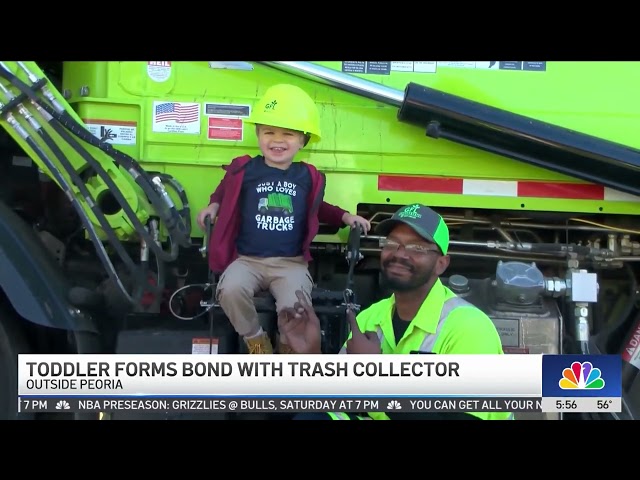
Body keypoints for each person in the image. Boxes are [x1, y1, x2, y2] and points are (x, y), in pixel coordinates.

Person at [278, 203, 514, 420]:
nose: (400, 254)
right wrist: (312, 355)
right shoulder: (371, 318)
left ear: (441, 263)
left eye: (417, 247)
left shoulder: (468, 327)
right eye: (392, 243)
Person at [196, 83, 371, 354]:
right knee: (229, 289)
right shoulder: (246, 169)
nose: (277, 140)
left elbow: (319, 207)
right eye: (269, 132)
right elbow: (224, 191)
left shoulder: (305, 176)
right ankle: (256, 340)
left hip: (290, 265)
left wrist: (346, 216)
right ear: (257, 134)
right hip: (248, 260)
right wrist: (213, 206)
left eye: (288, 134)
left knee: (296, 308)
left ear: (303, 141)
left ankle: (289, 351)